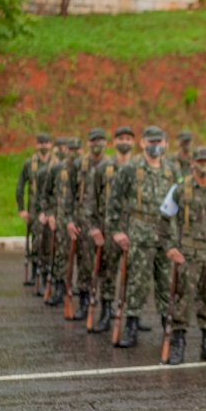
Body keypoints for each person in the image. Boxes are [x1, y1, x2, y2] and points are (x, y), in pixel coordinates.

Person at [159, 147, 206, 364]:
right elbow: (163, 219)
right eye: (199, 161)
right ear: (192, 163)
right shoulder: (180, 189)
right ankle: (178, 346)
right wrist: (169, 247)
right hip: (189, 256)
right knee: (183, 301)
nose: (203, 165)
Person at [108, 126, 177, 348]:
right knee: (137, 282)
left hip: (165, 235)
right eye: (151, 142)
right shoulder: (131, 168)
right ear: (143, 143)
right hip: (139, 232)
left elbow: (180, 202)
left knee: (167, 283)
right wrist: (117, 230)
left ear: (166, 144)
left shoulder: (172, 170)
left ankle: (169, 328)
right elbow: (114, 200)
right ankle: (131, 327)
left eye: (159, 142)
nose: (155, 146)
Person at [84, 126, 136, 333]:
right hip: (108, 230)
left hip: (134, 230)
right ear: (114, 143)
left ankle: (133, 316)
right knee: (107, 273)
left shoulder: (141, 168)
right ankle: (106, 313)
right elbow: (90, 201)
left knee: (135, 275)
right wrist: (94, 228)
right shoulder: (102, 169)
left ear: (134, 142)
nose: (124, 142)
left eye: (128, 138)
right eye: (121, 138)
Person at [67, 128, 109, 320]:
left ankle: (106, 307)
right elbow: (69, 194)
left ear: (106, 143)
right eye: (94, 141)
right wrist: (69, 220)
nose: (97, 144)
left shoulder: (112, 165)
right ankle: (84, 303)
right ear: (88, 143)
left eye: (100, 140)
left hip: (106, 220)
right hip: (83, 220)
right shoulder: (78, 164)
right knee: (84, 264)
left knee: (107, 266)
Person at [42, 137, 82, 307]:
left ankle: (82, 291)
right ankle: (60, 287)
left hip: (83, 219)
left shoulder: (86, 169)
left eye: (76, 150)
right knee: (61, 256)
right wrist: (50, 214)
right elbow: (46, 194)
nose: (73, 153)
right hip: (61, 218)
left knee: (84, 258)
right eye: (70, 150)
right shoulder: (57, 169)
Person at [16, 133, 53, 290]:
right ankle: (34, 273)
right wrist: (21, 209)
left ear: (50, 145)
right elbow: (20, 186)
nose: (43, 146)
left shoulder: (57, 163)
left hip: (51, 209)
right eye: (40, 143)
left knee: (49, 242)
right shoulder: (29, 163)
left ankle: (47, 275)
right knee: (36, 241)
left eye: (46, 143)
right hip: (34, 209)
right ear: (36, 145)